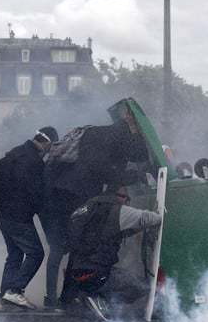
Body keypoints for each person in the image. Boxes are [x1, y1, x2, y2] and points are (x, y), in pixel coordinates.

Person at [47, 119, 149, 307]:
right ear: (130, 127)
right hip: (79, 194)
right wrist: (135, 175)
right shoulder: (115, 138)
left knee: (64, 248)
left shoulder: (96, 133)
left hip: (61, 192)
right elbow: (108, 169)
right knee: (78, 247)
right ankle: (67, 298)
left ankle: (58, 297)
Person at [66, 185, 161, 321]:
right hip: (98, 271)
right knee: (143, 287)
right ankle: (100, 300)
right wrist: (160, 213)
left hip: (78, 271)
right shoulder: (117, 210)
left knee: (116, 277)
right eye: (127, 198)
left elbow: (104, 234)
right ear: (120, 197)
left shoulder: (91, 209)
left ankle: (92, 296)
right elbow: (150, 218)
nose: (128, 202)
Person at [0, 127, 58, 311]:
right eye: (50, 147)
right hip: (18, 214)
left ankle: (3, 299)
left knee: (14, 254)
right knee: (36, 253)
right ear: (47, 143)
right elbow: (35, 194)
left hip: (3, 211)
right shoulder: (34, 161)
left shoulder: (16, 152)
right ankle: (14, 290)